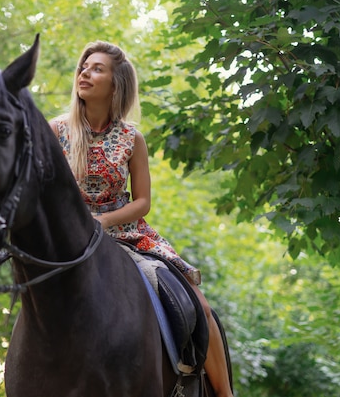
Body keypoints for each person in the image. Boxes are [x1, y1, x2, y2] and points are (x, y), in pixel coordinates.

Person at [49, 40, 234, 397]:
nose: (85, 72)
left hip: (127, 234)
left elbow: (143, 202)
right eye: (83, 66)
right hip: (70, 237)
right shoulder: (55, 131)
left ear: (115, 85)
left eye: (96, 68)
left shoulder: (132, 139)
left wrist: (103, 222)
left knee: (201, 304)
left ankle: (224, 393)